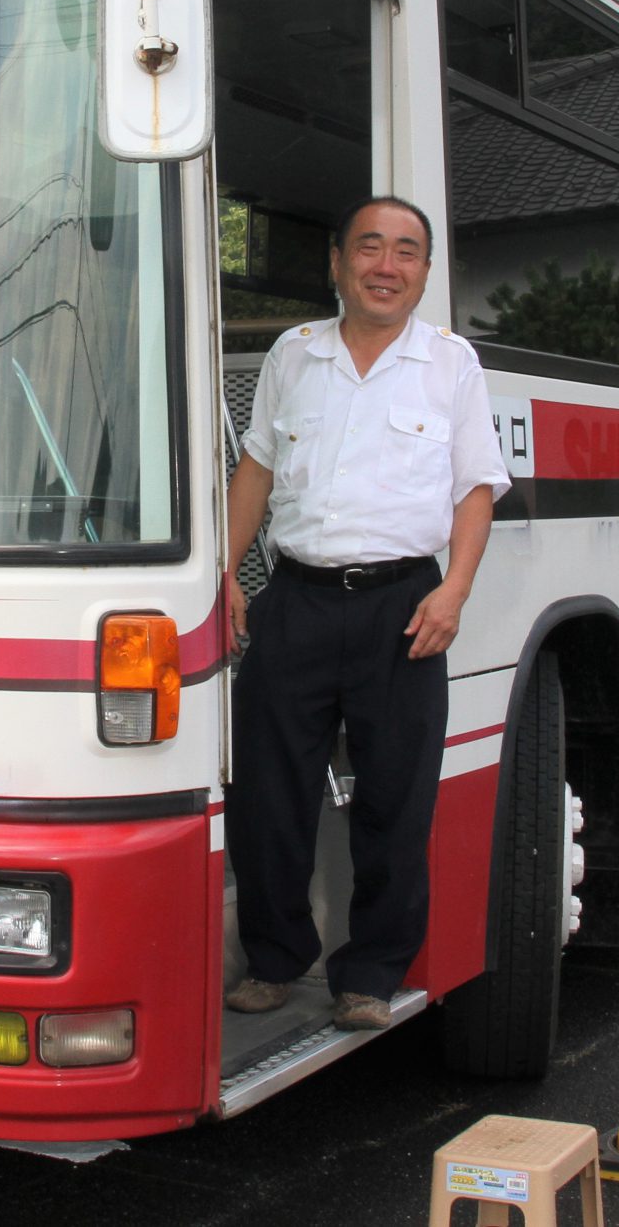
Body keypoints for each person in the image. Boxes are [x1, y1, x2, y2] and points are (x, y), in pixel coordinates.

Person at [222, 195, 509, 1032]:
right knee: (269, 796)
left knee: (394, 800)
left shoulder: (450, 363)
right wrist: (223, 574)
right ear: (340, 262)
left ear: (424, 270)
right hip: (297, 599)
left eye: (407, 251)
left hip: (403, 607)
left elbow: (475, 489)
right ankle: (275, 959)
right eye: (371, 247)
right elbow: (256, 473)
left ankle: (370, 974)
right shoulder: (293, 353)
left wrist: (453, 591)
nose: (388, 265)